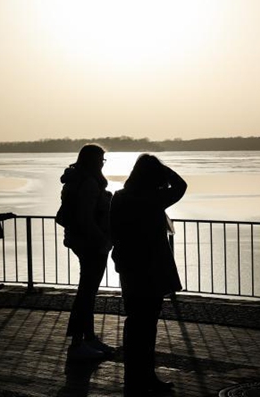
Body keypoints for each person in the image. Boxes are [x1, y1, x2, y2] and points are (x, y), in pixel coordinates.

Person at [110, 154, 187, 394]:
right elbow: (182, 186)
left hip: (129, 267)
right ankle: (145, 376)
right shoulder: (154, 198)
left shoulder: (120, 197)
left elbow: (113, 231)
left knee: (134, 322)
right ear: (154, 177)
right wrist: (166, 171)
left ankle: (133, 376)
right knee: (148, 323)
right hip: (151, 268)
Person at [60, 144, 114, 360]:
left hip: (79, 240)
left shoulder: (74, 180)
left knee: (87, 291)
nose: (103, 162)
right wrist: (103, 240)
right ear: (93, 160)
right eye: (101, 159)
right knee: (87, 292)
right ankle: (78, 341)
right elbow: (86, 217)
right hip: (91, 243)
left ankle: (88, 337)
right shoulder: (89, 183)